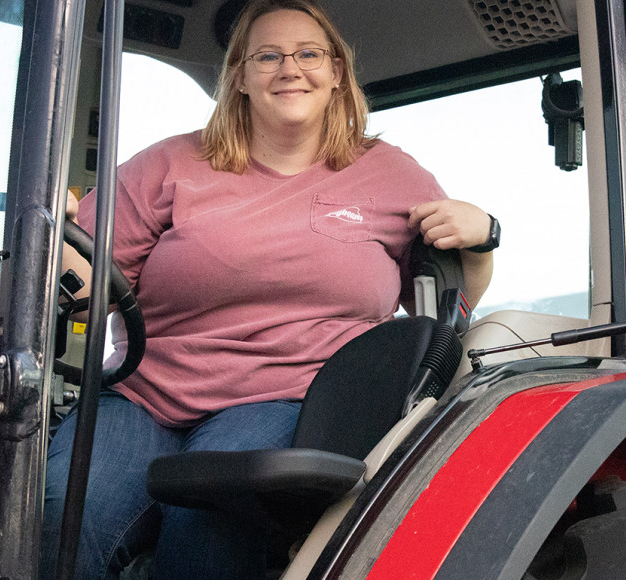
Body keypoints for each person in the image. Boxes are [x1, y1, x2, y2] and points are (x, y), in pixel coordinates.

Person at [41, 0, 495, 577]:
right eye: (269, 56)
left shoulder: (391, 174)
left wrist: (482, 238)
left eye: (309, 53)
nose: (290, 68)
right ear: (238, 76)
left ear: (336, 72)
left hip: (286, 394)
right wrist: (56, 242)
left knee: (210, 503)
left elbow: (452, 303)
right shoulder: (168, 164)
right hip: (143, 396)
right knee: (66, 507)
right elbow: (86, 285)